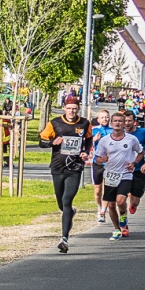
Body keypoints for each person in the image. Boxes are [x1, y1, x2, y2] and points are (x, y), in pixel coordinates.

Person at [39, 96, 92, 253]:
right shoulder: (55, 123)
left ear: (78, 108)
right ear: (64, 108)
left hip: (75, 167)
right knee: (61, 204)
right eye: (69, 108)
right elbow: (41, 141)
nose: (72, 111)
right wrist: (52, 142)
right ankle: (70, 213)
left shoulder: (84, 123)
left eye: (75, 108)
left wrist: (85, 152)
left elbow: (88, 140)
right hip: (57, 167)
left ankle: (64, 239)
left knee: (67, 200)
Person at [93, 111, 142, 240]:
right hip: (110, 175)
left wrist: (134, 163)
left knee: (121, 200)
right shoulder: (105, 140)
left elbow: (141, 152)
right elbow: (97, 158)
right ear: (111, 123)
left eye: (121, 121)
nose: (118, 123)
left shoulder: (131, 139)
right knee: (110, 205)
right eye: (115, 121)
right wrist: (102, 160)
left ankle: (123, 215)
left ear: (123, 124)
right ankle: (116, 229)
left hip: (125, 174)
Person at [126, 114, 145, 216]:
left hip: (138, 169)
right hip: (123, 170)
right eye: (125, 121)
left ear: (134, 122)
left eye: (129, 121)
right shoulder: (119, 133)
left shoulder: (142, 132)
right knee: (120, 200)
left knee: (135, 201)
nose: (127, 123)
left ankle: (132, 200)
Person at [88, 108, 112, 222]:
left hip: (110, 163)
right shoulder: (94, 130)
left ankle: (103, 211)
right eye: (102, 117)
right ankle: (99, 207)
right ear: (98, 119)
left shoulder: (114, 130)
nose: (105, 119)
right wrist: (94, 139)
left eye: (106, 117)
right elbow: (86, 143)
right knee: (98, 191)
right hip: (97, 163)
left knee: (108, 188)